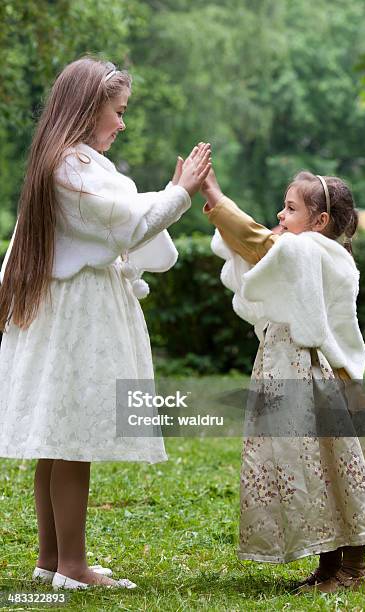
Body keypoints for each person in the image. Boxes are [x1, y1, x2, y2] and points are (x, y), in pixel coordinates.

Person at [0, 57, 211, 590]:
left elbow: (129, 219)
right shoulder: (69, 167)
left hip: (69, 309)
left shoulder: (73, 163)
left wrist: (167, 197)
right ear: (88, 109)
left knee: (59, 435)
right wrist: (181, 192)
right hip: (78, 316)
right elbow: (130, 223)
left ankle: (52, 560)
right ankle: (72, 565)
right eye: (116, 112)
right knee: (73, 436)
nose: (121, 123)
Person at [201, 162, 365, 594]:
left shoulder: (310, 251)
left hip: (311, 374)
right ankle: (329, 567)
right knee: (312, 469)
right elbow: (264, 247)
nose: (280, 215)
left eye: (290, 209)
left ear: (320, 221)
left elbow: (260, 243)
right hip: (290, 368)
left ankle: (352, 568)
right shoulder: (313, 251)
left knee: (329, 468)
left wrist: (216, 199)